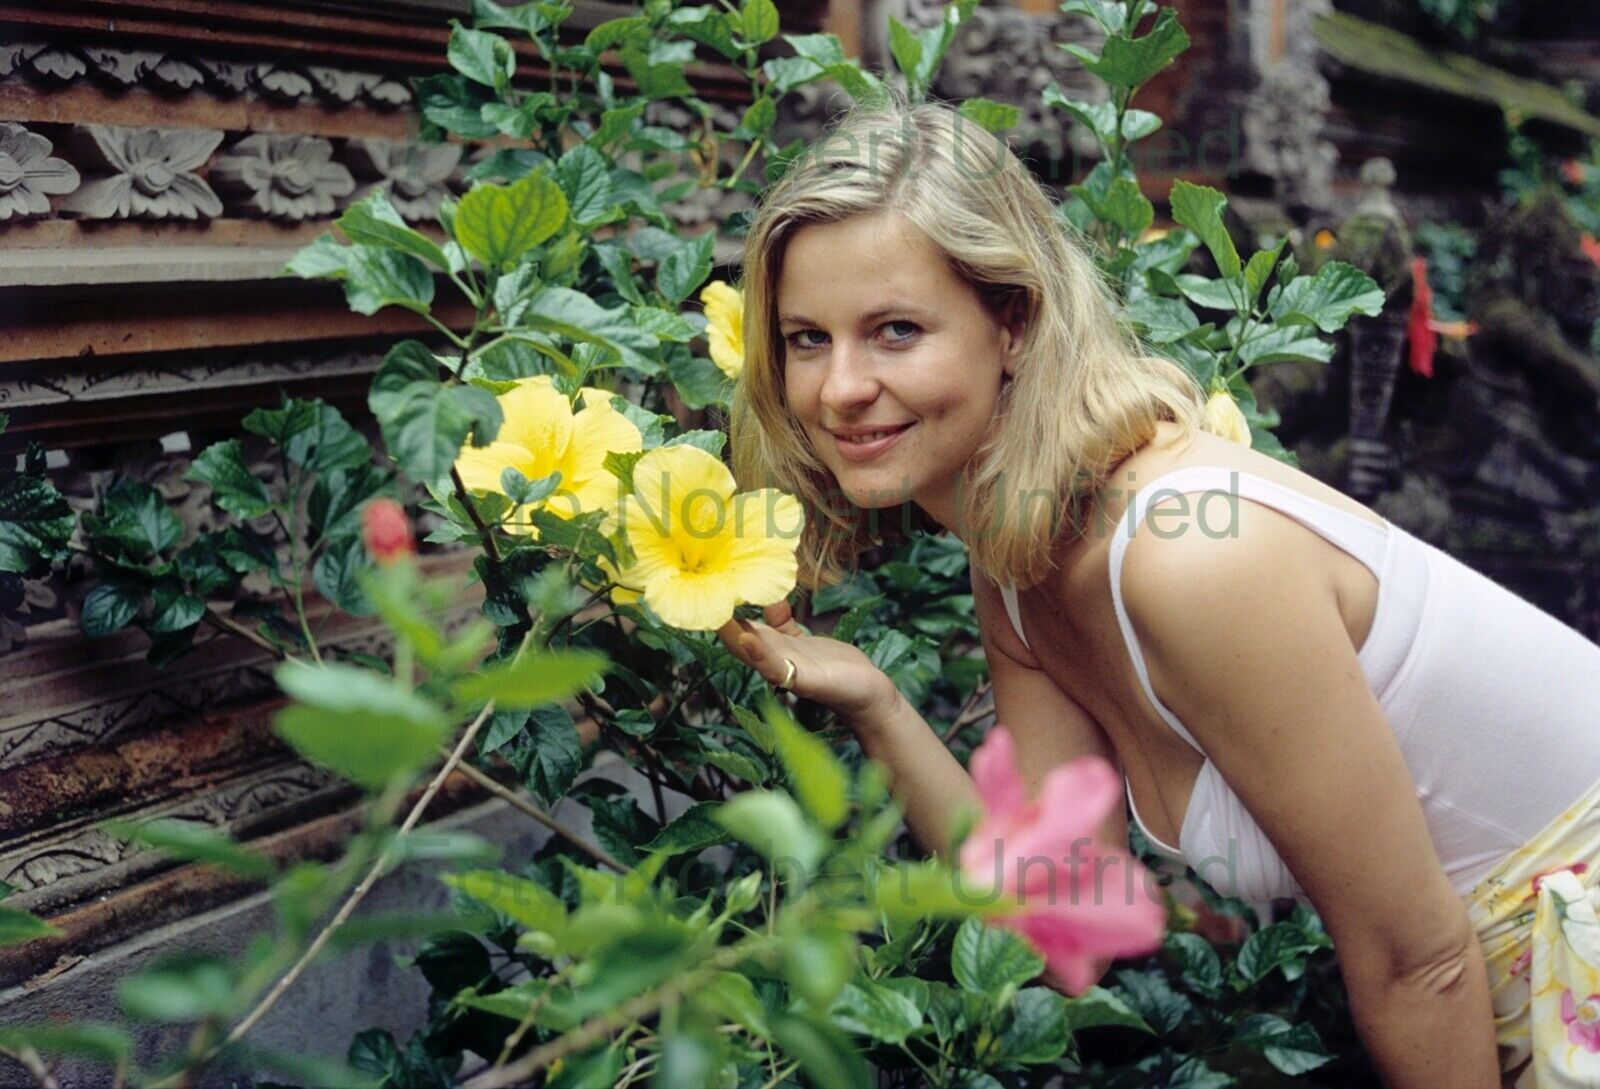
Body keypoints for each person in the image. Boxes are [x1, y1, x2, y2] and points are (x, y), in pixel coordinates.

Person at [714, 92, 1600, 1089]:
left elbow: (1418, 963)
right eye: (804, 339)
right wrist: (877, 707)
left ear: (1012, 322)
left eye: (893, 331)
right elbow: (1058, 915)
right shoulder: (1017, 559)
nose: (838, 388)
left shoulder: (1187, 557)